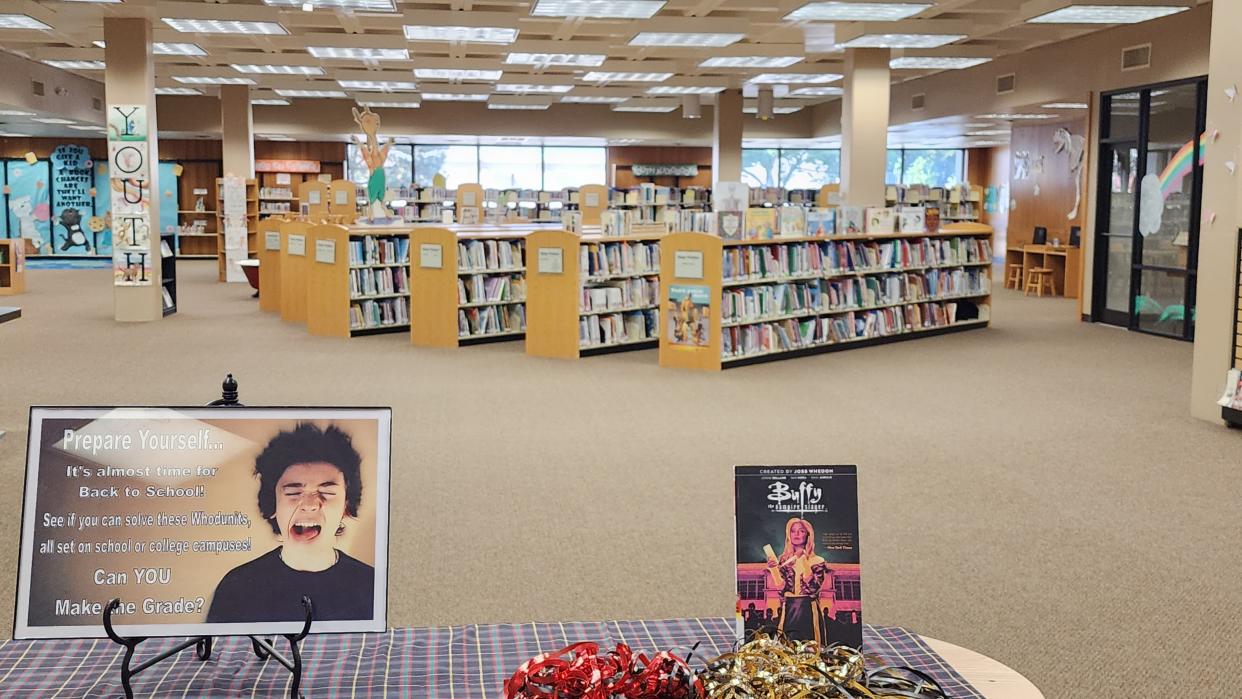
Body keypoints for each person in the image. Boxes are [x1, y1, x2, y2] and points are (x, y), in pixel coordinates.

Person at [207, 423, 374, 623]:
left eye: (327, 493)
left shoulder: (370, 584)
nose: (310, 505)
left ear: (346, 505)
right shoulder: (237, 586)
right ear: (272, 505)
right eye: (294, 493)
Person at [765, 517, 829, 644]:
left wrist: (802, 559)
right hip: (788, 607)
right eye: (793, 531)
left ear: (808, 535)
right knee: (786, 646)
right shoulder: (783, 560)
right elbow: (782, 588)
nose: (797, 534)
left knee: (811, 647)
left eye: (801, 531)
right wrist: (773, 570)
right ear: (789, 534)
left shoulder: (818, 560)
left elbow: (812, 588)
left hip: (808, 608)